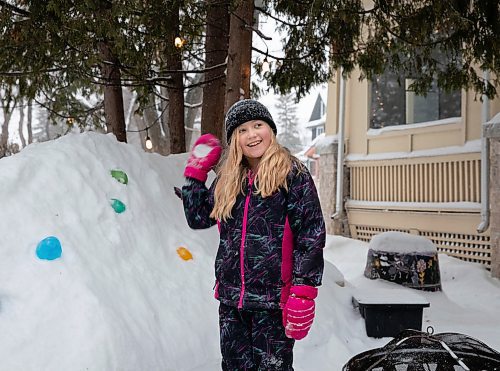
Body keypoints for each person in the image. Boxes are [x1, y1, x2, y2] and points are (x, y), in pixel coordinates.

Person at [181, 99, 325, 370]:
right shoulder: (228, 179)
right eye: (242, 130)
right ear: (235, 139)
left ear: (270, 130)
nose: (252, 134)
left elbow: (311, 233)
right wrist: (195, 175)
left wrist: (303, 290)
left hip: (272, 302)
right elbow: (198, 217)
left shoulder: (291, 174)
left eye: (258, 125)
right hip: (231, 299)